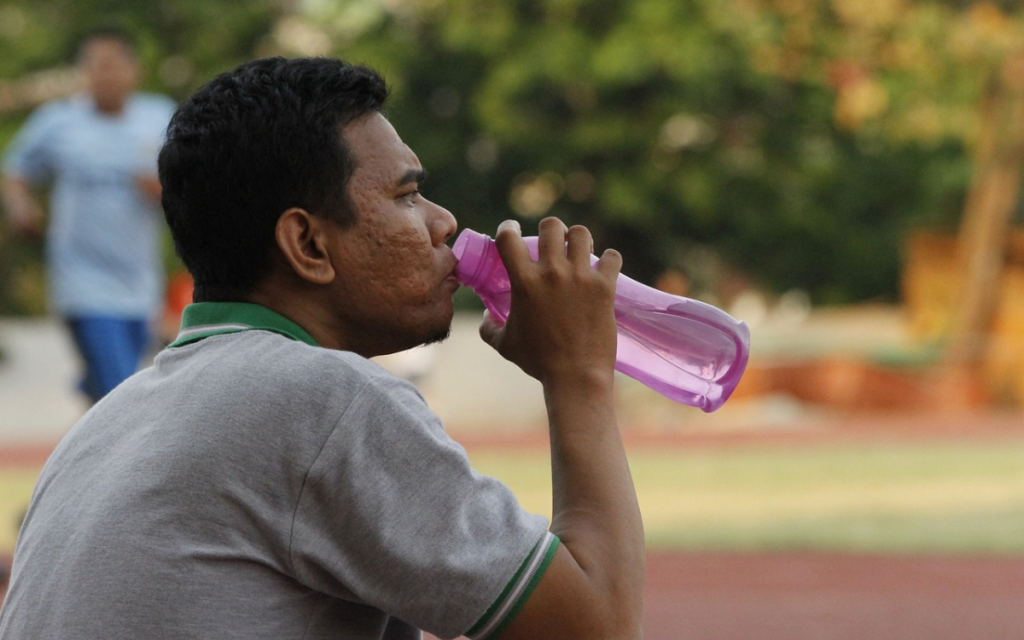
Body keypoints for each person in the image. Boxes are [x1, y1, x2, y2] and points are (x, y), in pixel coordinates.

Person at [0, 57, 645, 639]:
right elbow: (597, 624)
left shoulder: (105, 423)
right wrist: (579, 374)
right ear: (307, 244)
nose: (444, 222)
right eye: (407, 195)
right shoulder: (324, 400)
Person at [1, 26, 175, 403]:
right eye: (97, 66)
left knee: (118, 379)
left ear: (134, 71)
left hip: (139, 280)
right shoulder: (58, 120)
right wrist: (21, 207)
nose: (106, 75)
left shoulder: (158, 115)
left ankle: (89, 388)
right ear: (84, 72)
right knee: (121, 389)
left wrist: (160, 190)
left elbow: (187, 186)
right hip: (81, 279)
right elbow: (15, 169)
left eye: (115, 66)